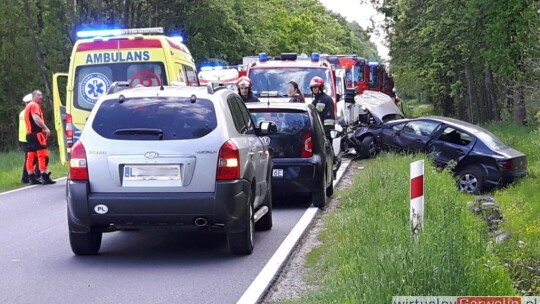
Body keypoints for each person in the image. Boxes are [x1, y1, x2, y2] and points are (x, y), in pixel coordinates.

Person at [25, 90, 56, 185]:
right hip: (37, 134)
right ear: (33, 96)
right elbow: (36, 118)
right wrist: (45, 128)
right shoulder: (34, 105)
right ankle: (44, 176)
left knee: (30, 156)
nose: (41, 97)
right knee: (43, 155)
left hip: (30, 135)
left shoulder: (27, 106)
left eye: (41, 95)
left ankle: (31, 178)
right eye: (39, 95)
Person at [18, 93, 40, 183]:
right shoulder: (29, 112)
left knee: (30, 158)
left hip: (24, 138)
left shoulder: (23, 112)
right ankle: (28, 176)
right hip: (29, 138)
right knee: (33, 157)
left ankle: (28, 176)